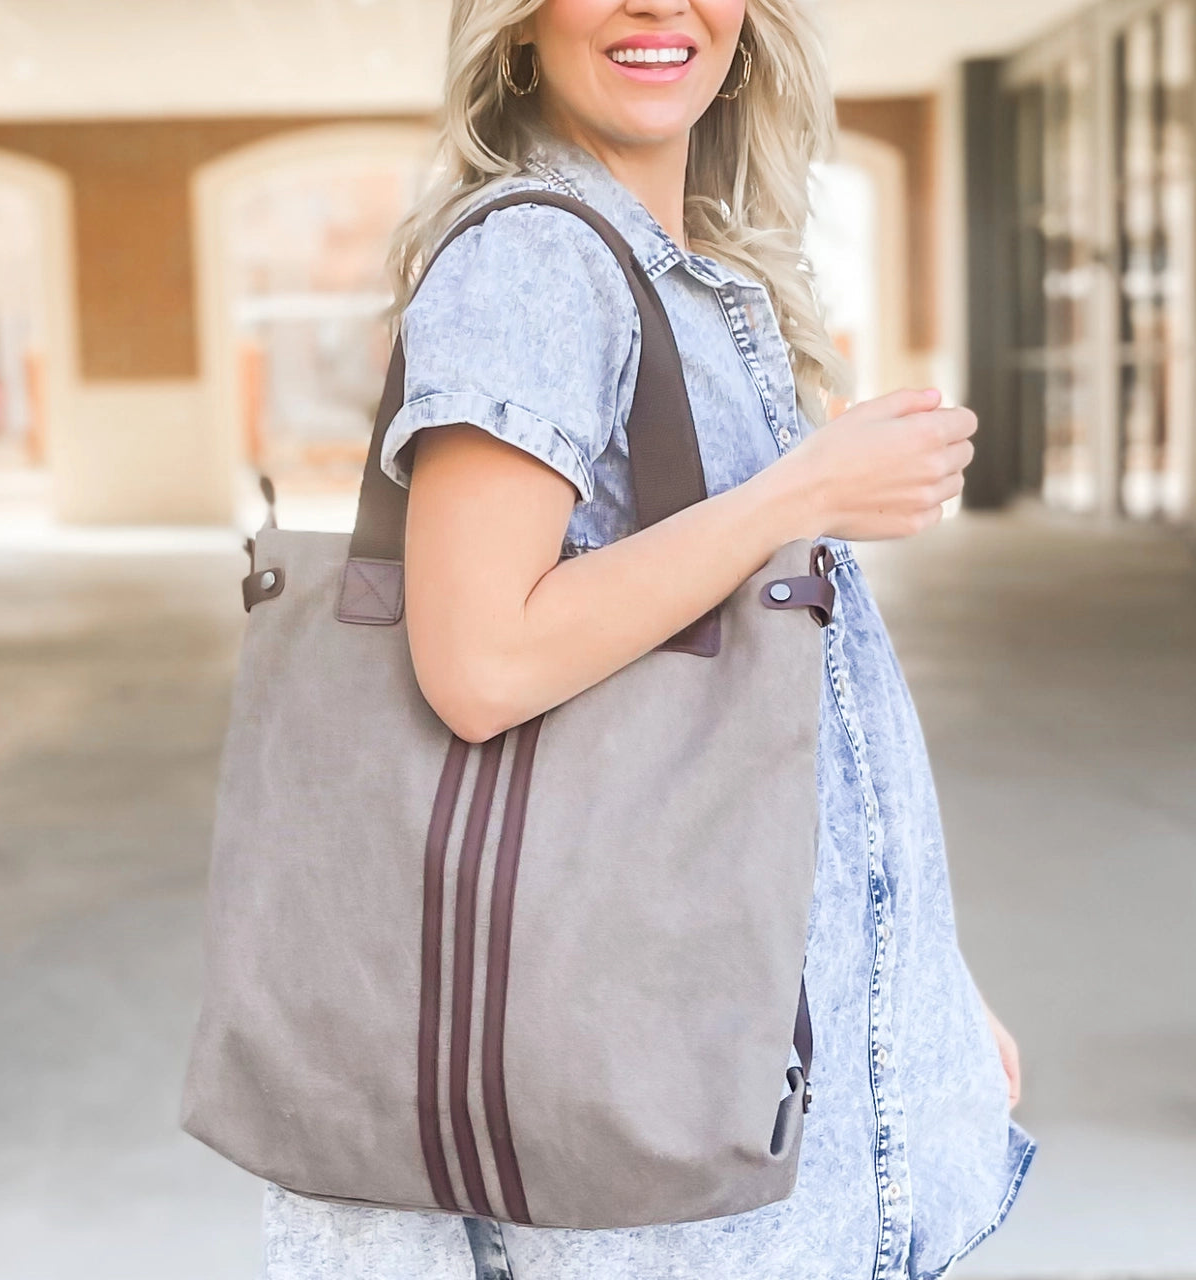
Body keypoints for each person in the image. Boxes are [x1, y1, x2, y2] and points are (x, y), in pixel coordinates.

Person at [261, 1, 1036, 1276]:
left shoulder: (698, 280)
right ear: (515, 28)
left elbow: (772, 722)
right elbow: (480, 663)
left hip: (753, 1072)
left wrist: (905, 979)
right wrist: (799, 496)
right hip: (655, 1143)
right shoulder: (534, 263)